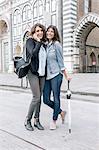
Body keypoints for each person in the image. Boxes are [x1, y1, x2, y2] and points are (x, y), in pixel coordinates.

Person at [43, 25, 71, 130]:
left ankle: (54, 121)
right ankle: (61, 112)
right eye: (48, 31)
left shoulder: (57, 45)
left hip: (56, 75)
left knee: (56, 97)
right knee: (45, 99)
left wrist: (66, 75)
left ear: (55, 34)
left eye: (52, 31)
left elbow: (61, 61)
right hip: (47, 76)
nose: (49, 33)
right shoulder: (45, 45)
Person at [24, 23, 46, 131]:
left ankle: (37, 120)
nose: (40, 32)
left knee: (39, 98)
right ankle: (27, 120)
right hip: (32, 72)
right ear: (34, 32)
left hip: (42, 74)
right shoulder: (30, 41)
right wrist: (37, 42)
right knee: (36, 97)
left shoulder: (43, 44)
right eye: (37, 31)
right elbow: (32, 54)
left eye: (41, 30)